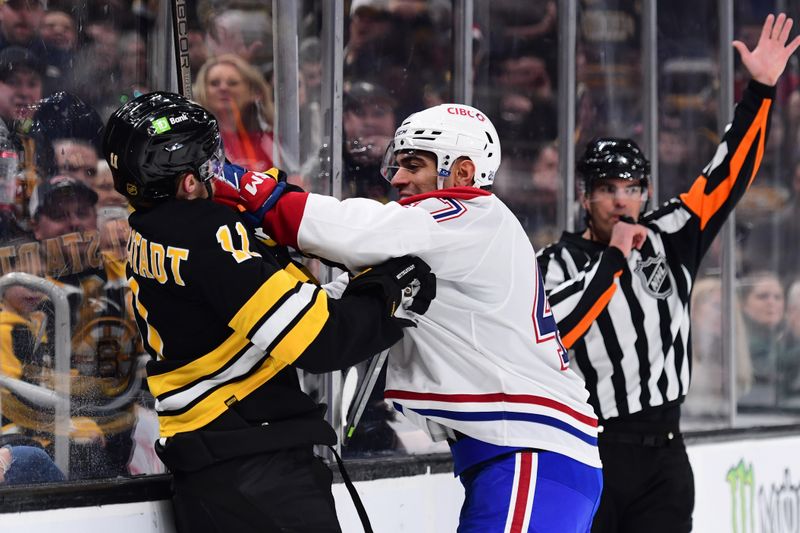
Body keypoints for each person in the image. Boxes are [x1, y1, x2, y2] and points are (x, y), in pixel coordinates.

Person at [226, 103, 602, 531]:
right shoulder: (433, 242)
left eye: (414, 164)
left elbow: (352, 230)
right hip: (525, 455)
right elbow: (324, 310)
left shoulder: (466, 217)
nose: (398, 178)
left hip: (531, 453)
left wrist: (248, 188)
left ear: (462, 173)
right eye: (398, 164)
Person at [101, 91, 435, 533]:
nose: (217, 174)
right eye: (207, 167)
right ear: (186, 183)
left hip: (206, 466)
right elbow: (319, 340)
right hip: (256, 470)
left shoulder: (147, 230)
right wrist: (391, 295)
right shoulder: (209, 234)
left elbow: (276, 304)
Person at [535, 13, 799, 532]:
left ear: (646, 193)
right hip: (591, 450)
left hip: (664, 457)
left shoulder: (669, 234)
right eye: (607, 188)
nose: (620, 199)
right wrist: (613, 259)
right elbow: (561, 330)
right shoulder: (551, 265)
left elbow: (726, 175)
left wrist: (761, 89)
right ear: (584, 197)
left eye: (632, 187)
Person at [192, 53, 277, 172]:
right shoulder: (195, 142)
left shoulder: (271, 141)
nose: (223, 88)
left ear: (255, 92)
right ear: (202, 91)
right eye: (214, 83)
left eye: (232, 83)